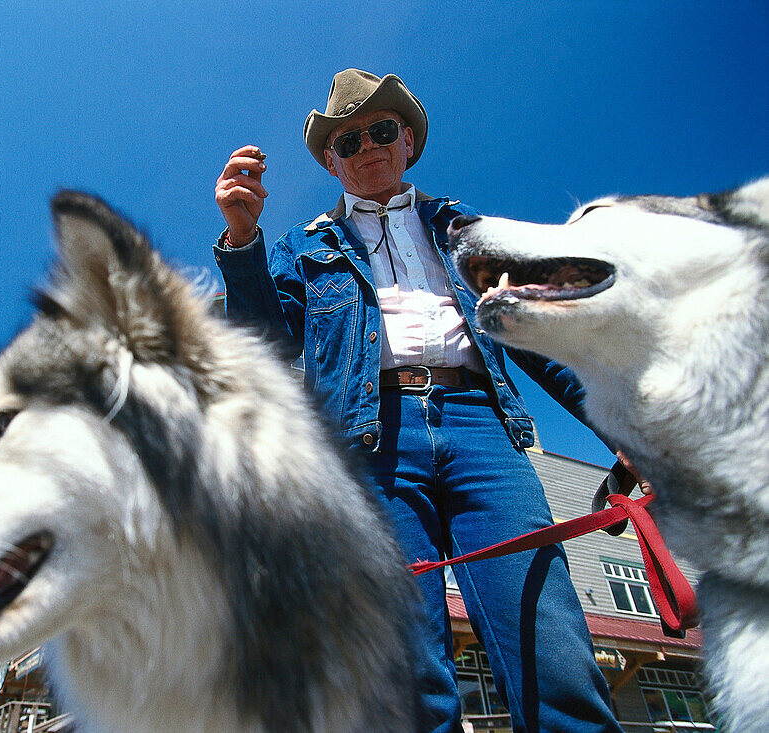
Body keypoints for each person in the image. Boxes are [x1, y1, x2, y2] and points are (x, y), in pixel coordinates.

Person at [213, 68, 621, 732]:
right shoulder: (302, 248)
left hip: (485, 434)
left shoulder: (468, 231)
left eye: (380, 130)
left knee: (555, 652)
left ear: (406, 139)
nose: (366, 146)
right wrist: (242, 244)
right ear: (331, 163)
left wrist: (621, 429)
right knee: (402, 676)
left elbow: (540, 337)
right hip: (368, 448)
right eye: (348, 142)